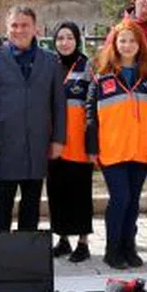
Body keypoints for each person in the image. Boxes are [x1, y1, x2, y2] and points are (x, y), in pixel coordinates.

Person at [0, 6, 66, 232]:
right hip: (2, 147)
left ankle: (27, 251)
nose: (19, 30)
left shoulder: (50, 61)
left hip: (37, 146)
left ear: (35, 28)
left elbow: (58, 104)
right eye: (14, 25)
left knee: (31, 209)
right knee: (1, 210)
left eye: (25, 25)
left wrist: (58, 139)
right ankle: (0, 251)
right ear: (6, 29)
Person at [86, 21, 147, 270]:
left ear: (140, 45)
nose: (127, 45)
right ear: (114, 44)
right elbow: (90, 114)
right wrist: (92, 148)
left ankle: (129, 247)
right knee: (120, 198)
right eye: (122, 40)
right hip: (112, 149)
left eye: (132, 41)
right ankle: (112, 250)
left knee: (133, 201)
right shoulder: (102, 75)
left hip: (140, 149)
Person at [47, 21, 93, 263]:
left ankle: (83, 242)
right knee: (57, 192)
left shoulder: (88, 66)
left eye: (69, 38)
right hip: (54, 142)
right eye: (60, 38)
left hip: (79, 142)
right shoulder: (48, 65)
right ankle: (62, 238)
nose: (64, 43)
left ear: (77, 41)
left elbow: (93, 103)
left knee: (80, 193)